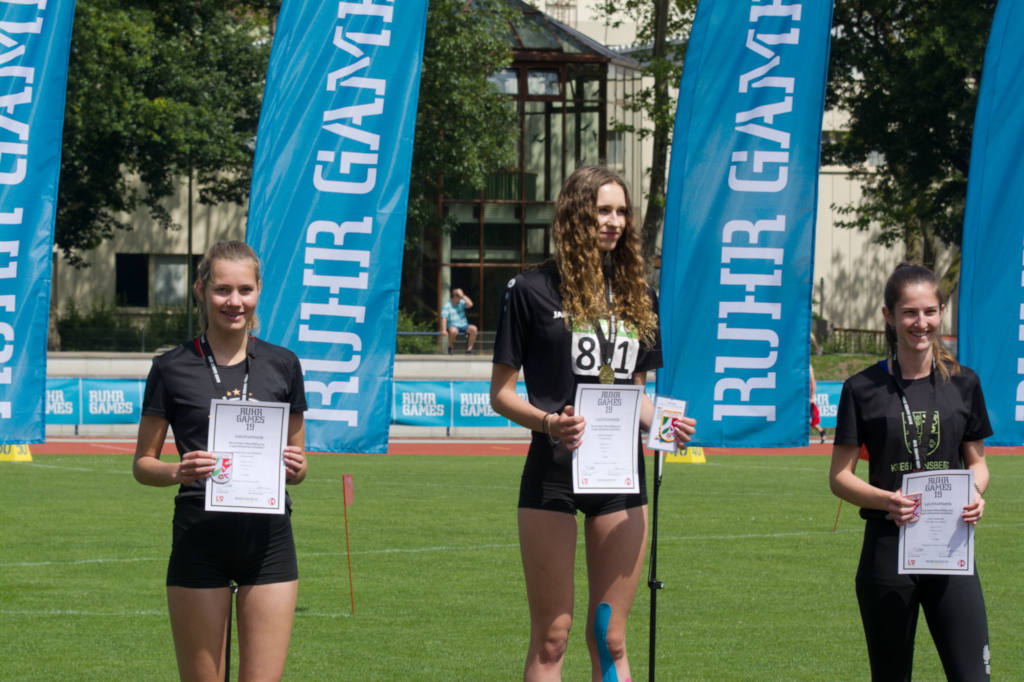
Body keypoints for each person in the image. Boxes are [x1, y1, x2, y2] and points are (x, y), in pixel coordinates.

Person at [490, 165, 696, 681]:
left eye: (621, 211)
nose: (614, 221)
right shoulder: (531, 289)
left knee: (611, 636)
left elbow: (634, 394)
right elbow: (500, 395)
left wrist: (668, 426)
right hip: (554, 474)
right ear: (576, 214)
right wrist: (548, 423)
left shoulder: (638, 295)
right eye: (603, 210)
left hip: (619, 478)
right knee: (552, 637)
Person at [132, 241, 308, 681]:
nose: (234, 301)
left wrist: (298, 468)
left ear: (258, 291)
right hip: (199, 539)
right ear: (201, 289)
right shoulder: (171, 367)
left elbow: (299, 460)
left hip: (268, 541)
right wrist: (178, 470)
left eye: (245, 290)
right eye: (222, 289)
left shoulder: (284, 365)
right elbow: (142, 464)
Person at [829, 262, 992, 681]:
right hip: (887, 549)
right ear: (889, 316)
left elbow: (977, 464)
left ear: (941, 312)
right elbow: (840, 478)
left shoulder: (965, 383)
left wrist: (975, 495)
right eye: (910, 313)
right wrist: (888, 501)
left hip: (951, 550)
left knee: (973, 676)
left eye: (930, 312)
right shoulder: (861, 388)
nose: (921, 323)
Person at [441, 287, 478, 354]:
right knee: (453, 331)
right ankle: (450, 347)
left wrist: (462, 295)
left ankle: (469, 350)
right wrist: (443, 330)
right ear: (454, 296)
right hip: (453, 325)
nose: (461, 299)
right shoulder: (447, 305)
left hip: (463, 325)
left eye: (461, 297)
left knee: (474, 329)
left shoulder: (461, 302)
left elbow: (470, 304)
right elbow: (444, 318)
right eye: (459, 297)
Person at [810, 363, 827, 443]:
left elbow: (813, 381)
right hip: (799, 395)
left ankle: (822, 431)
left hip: (807, 397)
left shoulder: (808, 366)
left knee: (807, 419)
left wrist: (812, 397)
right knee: (804, 419)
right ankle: (821, 431)